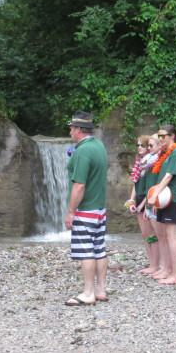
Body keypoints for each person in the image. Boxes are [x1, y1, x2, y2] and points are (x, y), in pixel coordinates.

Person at [63, 111, 109, 305]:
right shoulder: (99, 146)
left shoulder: (83, 151)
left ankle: (88, 293)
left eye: (71, 128)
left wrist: (71, 212)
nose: (70, 132)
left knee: (86, 251)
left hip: (85, 210)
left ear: (79, 129)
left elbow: (79, 185)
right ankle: (101, 290)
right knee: (99, 248)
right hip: (100, 209)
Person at [148, 125, 176, 285]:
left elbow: (169, 176)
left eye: (163, 136)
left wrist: (155, 195)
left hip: (173, 198)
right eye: (159, 136)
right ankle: (167, 269)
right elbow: (161, 177)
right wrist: (157, 200)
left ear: (172, 136)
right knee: (163, 235)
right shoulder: (165, 153)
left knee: (171, 236)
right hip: (164, 199)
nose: (161, 139)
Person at [127, 134, 159, 274]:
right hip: (139, 198)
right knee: (145, 234)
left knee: (152, 234)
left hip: (148, 199)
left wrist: (143, 205)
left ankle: (155, 265)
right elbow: (136, 184)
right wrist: (131, 200)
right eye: (138, 145)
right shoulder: (140, 163)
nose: (139, 148)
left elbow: (151, 186)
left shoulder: (151, 163)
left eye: (143, 145)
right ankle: (151, 263)